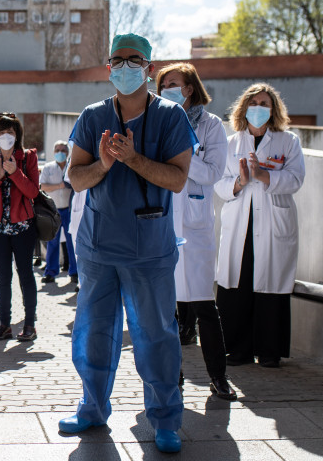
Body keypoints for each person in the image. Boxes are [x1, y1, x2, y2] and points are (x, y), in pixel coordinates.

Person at [63, 34, 197, 454]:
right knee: (94, 332)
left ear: (149, 68)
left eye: (132, 60)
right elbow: (75, 178)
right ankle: (92, 407)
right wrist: (103, 163)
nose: (123, 68)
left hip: (150, 250)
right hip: (100, 247)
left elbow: (177, 180)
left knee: (156, 336)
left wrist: (135, 160)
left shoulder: (171, 118)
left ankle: (165, 420)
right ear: (108, 68)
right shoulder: (92, 116)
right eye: (116, 61)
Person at [156, 62, 235, 400]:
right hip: (161, 224)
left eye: (173, 84)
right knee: (167, 312)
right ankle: (173, 379)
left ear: (189, 88)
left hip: (197, 227)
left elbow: (213, 173)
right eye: (162, 85)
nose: (166, 90)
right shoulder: (155, 121)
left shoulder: (212, 126)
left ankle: (218, 378)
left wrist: (182, 156)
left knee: (205, 306)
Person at [215, 83, 305, 369]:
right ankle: (237, 350)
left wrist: (264, 176)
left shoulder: (288, 141)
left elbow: (295, 179)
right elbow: (218, 183)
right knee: (237, 285)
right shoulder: (231, 143)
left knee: (271, 285)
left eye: (265, 104)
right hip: (240, 221)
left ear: (274, 109)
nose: (259, 109)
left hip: (272, 221)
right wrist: (240, 182)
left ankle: (269, 351)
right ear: (244, 108)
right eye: (254, 103)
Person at [0, 112, 40, 342]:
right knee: (2, 276)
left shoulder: (28, 158)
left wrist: (15, 173)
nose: (6, 136)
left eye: (11, 132)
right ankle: (4, 324)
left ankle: (30, 324)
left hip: (23, 227)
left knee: (26, 274)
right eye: (2, 132)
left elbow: (33, 192)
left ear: (17, 135)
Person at [40, 139, 78, 287]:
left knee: (71, 242)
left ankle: (74, 272)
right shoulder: (48, 168)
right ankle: (50, 272)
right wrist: (61, 185)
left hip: (69, 209)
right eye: (57, 150)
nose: (60, 153)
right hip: (53, 210)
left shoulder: (72, 166)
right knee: (52, 242)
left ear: (67, 152)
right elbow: (43, 186)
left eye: (63, 150)